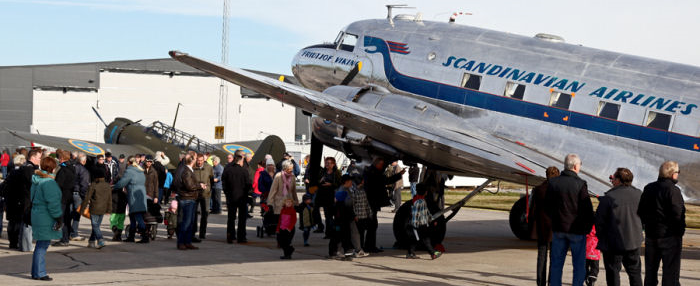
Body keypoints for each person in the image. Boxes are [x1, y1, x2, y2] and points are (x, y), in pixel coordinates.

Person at [545, 154, 594, 286]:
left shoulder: (553, 182)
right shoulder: (580, 184)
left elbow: (547, 206)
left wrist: (555, 220)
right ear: (575, 166)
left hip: (559, 228)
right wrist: (587, 228)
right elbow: (587, 209)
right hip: (577, 231)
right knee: (578, 265)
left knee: (556, 264)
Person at [638, 161, 685, 286]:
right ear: (672, 174)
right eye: (677, 172)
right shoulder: (673, 190)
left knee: (651, 273)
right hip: (669, 236)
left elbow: (641, 211)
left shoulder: (649, 188)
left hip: (651, 235)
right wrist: (679, 232)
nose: (678, 175)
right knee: (670, 273)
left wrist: (648, 225)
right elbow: (678, 214)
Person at [595, 168, 643, 286]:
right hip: (633, 242)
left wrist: (603, 239)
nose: (612, 181)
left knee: (613, 274)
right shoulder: (639, 194)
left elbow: (599, 221)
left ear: (619, 180)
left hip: (613, 244)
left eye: (613, 178)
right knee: (635, 273)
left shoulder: (609, 197)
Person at [30, 157, 62, 281]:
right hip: (45, 215)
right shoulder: (49, 182)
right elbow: (53, 202)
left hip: (37, 213)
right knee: (42, 245)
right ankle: (40, 273)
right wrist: (58, 216)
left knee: (40, 244)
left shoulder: (37, 180)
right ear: (52, 168)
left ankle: (36, 272)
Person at [362, 158, 405, 253]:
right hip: (372, 201)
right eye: (381, 165)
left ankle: (368, 245)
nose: (382, 167)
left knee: (372, 225)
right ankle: (370, 246)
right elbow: (386, 180)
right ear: (378, 165)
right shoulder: (375, 173)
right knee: (372, 225)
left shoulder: (369, 171)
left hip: (370, 201)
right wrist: (399, 175)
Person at [530, 166, 560, 286]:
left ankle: (540, 282)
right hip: (556, 228)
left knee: (541, 256)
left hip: (541, 227)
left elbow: (533, 209)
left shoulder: (538, 189)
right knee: (554, 257)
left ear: (546, 175)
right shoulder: (559, 190)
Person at [113, 156, 149, 243]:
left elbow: (122, 182)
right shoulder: (140, 171)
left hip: (133, 196)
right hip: (141, 196)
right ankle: (131, 237)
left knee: (137, 216)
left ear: (129, 162)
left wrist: (115, 186)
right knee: (133, 216)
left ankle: (145, 237)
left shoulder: (129, 171)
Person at [175, 155, 205, 250]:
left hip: (190, 198)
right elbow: (189, 186)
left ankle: (187, 242)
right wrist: (200, 186)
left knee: (190, 222)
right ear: (192, 161)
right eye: (196, 159)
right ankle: (181, 242)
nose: (197, 161)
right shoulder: (187, 171)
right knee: (186, 222)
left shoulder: (188, 170)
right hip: (187, 199)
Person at [221, 153, 251, 243]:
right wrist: (247, 194)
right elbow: (248, 185)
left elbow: (224, 184)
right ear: (241, 160)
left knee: (231, 218)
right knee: (242, 218)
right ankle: (241, 237)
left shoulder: (227, 170)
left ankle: (230, 236)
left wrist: (227, 193)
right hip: (242, 198)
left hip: (231, 197)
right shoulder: (244, 171)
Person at [407, 183, 441, 260]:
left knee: (415, 239)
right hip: (420, 225)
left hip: (422, 223)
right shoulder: (419, 202)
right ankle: (433, 253)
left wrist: (431, 220)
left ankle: (410, 253)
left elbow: (426, 212)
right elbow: (416, 214)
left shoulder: (422, 200)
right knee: (426, 239)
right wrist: (415, 225)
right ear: (425, 192)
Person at [81, 165, 112, 249]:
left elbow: (87, 197)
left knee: (95, 226)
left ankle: (100, 240)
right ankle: (91, 242)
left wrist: (82, 209)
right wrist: (109, 209)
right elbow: (110, 198)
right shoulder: (107, 185)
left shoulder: (93, 185)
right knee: (96, 226)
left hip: (94, 208)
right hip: (103, 209)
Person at [268, 160, 299, 232]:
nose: (291, 170)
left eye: (292, 169)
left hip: (289, 203)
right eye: (289, 169)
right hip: (279, 203)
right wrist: (270, 203)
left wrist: (296, 202)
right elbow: (273, 191)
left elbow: (294, 191)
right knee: (281, 223)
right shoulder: (278, 176)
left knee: (290, 223)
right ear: (285, 168)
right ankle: (281, 239)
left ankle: (287, 240)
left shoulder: (293, 176)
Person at [4, 154, 27, 249]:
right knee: (17, 222)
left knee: (11, 222)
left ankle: (12, 242)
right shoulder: (21, 173)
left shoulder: (11, 172)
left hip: (10, 200)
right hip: (18, 200)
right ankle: (15, 241)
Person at [53, 150, 75, 247]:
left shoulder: (63, 170)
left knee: (61, 219)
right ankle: (65, 238)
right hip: (69, 197)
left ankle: (63, 239)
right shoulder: (72, 168)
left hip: (62, 197)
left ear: (62, 158)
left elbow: (58, 185)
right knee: (67, 219)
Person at [316, 157, 341, 238]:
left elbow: (340, 184)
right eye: (326, 163)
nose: (327, 164)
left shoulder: (336, 173)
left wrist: (331, 184)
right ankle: (328, 233)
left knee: (336, 217)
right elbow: (317, 183)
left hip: (334, 197)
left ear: (333, 164)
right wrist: (320, 181)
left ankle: (336, 232)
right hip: (324, 197)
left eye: (329, 163)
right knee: (327, 216)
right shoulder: (322, 172)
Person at [328, 183, 355, 260]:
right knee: (344, 238)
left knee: (336, 238)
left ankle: (334, 252)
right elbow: (351, 213)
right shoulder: (344, 205)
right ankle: (346, 254)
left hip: (339, 224)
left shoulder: (336, 205)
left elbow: (330, 213)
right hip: (343, 224)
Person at [70, 153, 90, 241]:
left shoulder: (72, 167)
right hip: (78, 194)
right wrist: (85, 197)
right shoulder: (83, 170)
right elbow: (84, 185)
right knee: (77, 213)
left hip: (70, 192)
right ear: (84, 161)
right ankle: (74, 233)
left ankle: (66, 233)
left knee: (69, 214)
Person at [193, 154, 213, 240]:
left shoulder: (209, 167)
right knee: (194, 214)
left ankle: (202, 232)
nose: (199, 162)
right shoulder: (193, 167)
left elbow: (212, 179)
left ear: (204, 160)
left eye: (201, 160)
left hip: (206, 194)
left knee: (205, 214)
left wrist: (208, 188)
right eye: (198, 160)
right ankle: (193, 232)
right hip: (195, 194)